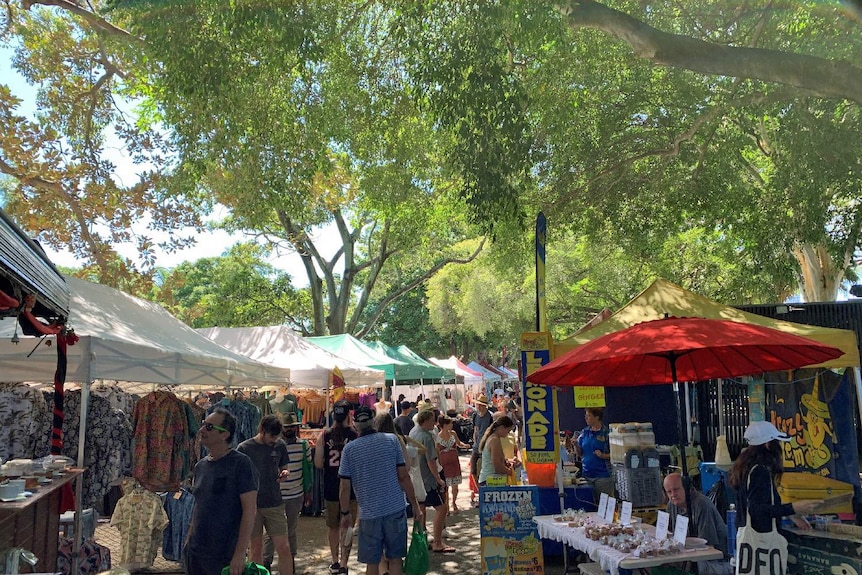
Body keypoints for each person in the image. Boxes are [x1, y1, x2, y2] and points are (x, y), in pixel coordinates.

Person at [339, 406, 423, 575]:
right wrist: (415, 504)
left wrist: (345, 513)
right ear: (373, 423)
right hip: (395, 508)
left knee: (372, 563)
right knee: (396, 559)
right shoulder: (391, 440)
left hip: (369, 513)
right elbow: (403, 476)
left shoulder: (349, 450)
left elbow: (344, 487)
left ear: (355, 425)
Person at [186, 408, 258, 575]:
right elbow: (198, 505)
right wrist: (189, 539)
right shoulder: (200, 466)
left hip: (224, 554)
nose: (202, 430)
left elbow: (249, 510)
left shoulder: (241, 464)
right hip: (196, 552)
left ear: (224, 435)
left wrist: (240, 554)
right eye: (203, 425)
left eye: (209, 427)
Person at [729, 421, 822, 533]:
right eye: (776, 442)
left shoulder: (745, 466)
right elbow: (756, 510)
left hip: (747, 535)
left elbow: (760, 502)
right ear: (768, 444)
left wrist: (792, 515)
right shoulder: (759, 471)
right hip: (761, 538)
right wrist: (793, 508)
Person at [237, 414, 294, 575]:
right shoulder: (244, 448)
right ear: (262, 430)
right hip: (252, 506)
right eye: (272, 436)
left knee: (283, 547)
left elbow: (285, 466)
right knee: (255, 549)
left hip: (274, 503)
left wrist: (285, 473)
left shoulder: (280, 445)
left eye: (277, 437)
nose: (274, 440)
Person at [263, 412, 311, 573]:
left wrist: (307, 491)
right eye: (287, 427)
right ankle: (266, 562)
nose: (289, 430)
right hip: (275, 496)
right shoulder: (273, 445)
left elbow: (307, 470)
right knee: (271, 532)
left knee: (290, 530)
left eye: (292, 427)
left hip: (295, 495)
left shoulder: (303, 446)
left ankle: (290, 562)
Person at [315, 400, 357, 575]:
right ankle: (344, 563)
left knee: (332, 526)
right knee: (347, 526)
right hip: (352, 487)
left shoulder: (324, 435)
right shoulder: (355, 435)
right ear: (349, 415)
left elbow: (318, 463)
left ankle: (334, 561)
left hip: (332, 486)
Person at [664, 473, 732, 575]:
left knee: (690, 566)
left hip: (717, 561)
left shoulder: (702, 505)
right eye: (669, 492)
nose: (673, 495)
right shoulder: (672, 505)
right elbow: (668, 534)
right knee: (662, 563)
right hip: (689, 555)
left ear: (687, 487)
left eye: (676, 489)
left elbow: (707, 547)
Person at [409, 409, 453, 553]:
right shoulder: (426, 436)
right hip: (428, 480)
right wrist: (438, 479)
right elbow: (431, 461)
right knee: (442, 508)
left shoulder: (413, 432)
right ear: (426, 420)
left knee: (421, 509)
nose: (434, 423)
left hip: (417, 478)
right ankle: (438, 542)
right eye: (432, 420)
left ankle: (422, 540)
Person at [574, 407, 613, 501]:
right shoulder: (584, 432)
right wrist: (575, 445)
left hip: (603, 476)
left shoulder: (607, 433)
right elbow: (580, 454)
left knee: (603, 505)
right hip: (587, 475)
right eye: (585, 416)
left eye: (589, 416)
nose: (586, 418)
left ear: (597, 417)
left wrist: (603, 456)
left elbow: (617, 454)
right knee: (589, 505)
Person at [436, 415, 469, 514]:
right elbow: (437, 451)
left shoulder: (453, 433)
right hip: (444, 464)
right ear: (445, 425)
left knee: (455, 485)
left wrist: (464, 445)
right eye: (450, 423)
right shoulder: (437, 436)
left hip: (454, 462)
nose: (452, 425)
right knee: (446, 486)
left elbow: (458, 443)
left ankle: (454, 502)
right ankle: (446, 506)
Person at [477, 415, 516, 486]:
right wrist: (510, 472)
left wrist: (505, 462)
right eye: (508, 431)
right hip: (491, 480)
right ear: (502, 428)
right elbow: (497, 466)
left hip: (488, 479)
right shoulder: (495, 440)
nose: (507, 435)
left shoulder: (492, 438)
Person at [469, 394, 493, 506]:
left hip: (485, 447)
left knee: (484, 470)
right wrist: (475, 442)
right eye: (478, 404)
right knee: (473, 470)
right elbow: (475, 430)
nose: (478, 406)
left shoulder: (490, 416)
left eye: (480, 405)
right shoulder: (475, 416)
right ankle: (480, 492)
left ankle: (483, 494)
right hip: (476, 446)